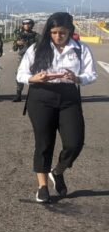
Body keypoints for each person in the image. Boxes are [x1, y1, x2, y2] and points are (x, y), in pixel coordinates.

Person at [16, 12, 97, 203]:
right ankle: (42, 186)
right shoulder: (37, 48)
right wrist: (33, 78)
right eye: (53, 32)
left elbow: (91, 74)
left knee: (74, 142)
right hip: (41, 96)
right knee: (44, 142)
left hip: (69, 97)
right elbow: (21, 73)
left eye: (62, 32)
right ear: (48, 32)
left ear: (70, 31)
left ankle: (58, 171)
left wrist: (78, 78)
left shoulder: (80, 49)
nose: (58, 36)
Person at [11, 18, 38, 102]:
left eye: (28, 24)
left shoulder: (36, 35)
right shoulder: (19, 35)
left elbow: (42, 44)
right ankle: (18, 95)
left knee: (35, 75)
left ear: (32, 25)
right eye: (25, 24)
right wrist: (17, 43)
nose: (26, 25)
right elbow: (14, 48)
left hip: (34, 58)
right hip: (22, 58)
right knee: (19, 75)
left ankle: (34, 95)